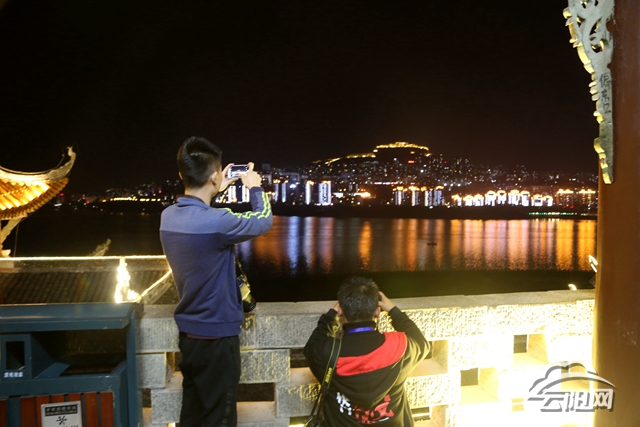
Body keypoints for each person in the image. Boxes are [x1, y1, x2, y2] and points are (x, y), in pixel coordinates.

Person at [159, 136, 273, 427]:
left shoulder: (167, 217)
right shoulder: (218, 221)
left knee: (193, 415)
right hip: (218, 339)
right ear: (213, 175)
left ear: (181, 175)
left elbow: (200, 217)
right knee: (219, 418)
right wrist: (254, 186)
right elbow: (263, 220)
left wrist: (215, 187)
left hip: (189, 336)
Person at [304, 277, 430, 426]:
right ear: (377, 312)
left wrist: (330, 317)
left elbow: (312, 346)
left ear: (341, 311)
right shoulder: (399, 346)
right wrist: (393, 310)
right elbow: (421, 342)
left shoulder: (328, 352)